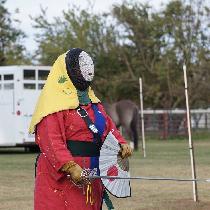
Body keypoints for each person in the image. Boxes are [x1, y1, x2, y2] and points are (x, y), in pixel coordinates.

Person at [29, 48, 132, 210]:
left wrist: (120, 143)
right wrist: (69, 166)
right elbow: (51, 140)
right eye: (81, 65)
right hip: (62, 180)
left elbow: (107, 128)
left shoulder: (94, 103)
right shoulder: (52, 105)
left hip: (92, 175)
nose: (87, 68)